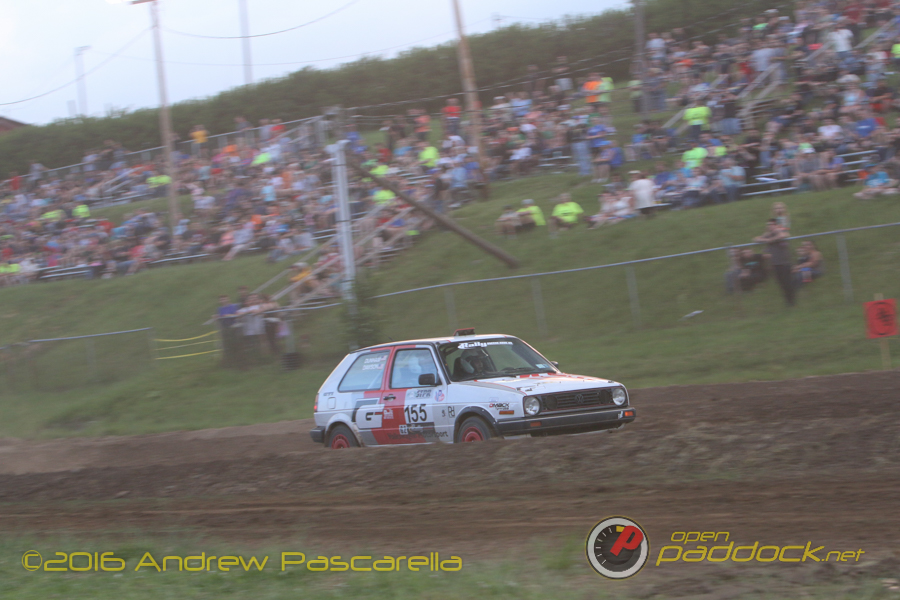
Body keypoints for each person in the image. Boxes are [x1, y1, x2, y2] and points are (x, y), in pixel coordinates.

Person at [754, 218, 795, 307]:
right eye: (768, 225)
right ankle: (788, 302)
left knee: (787, 283)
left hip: (784, 263)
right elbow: (756, 239)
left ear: (776, 225)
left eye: (772, 224)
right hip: (775, 264)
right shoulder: (768, 234)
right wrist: (766, 240)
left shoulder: (781, 231)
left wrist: (771, 239)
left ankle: (792, 302)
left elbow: (782, 236)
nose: (770, 226)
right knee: (781, 284)